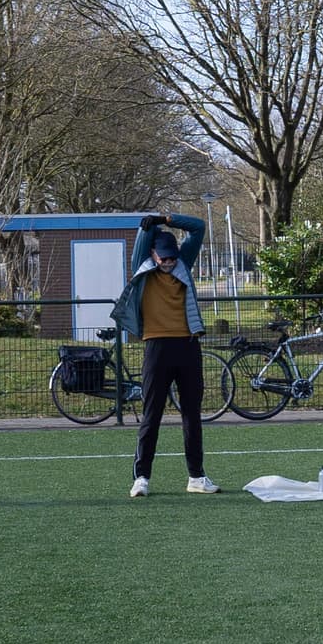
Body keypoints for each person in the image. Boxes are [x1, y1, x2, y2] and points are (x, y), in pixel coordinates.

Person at [124, 213, 215, 498]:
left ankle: (196, 477)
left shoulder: (183, 264)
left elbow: (198, 227)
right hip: (156, 348)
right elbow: (144, 234)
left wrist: (167, 218)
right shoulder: (142, 265)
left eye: (172, 257)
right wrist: (148, 227)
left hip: (188, 346)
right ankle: (141, 478)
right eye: (163, 257)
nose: (168, 262)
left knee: (192, 415)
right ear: (152, 254)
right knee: (151, 415)